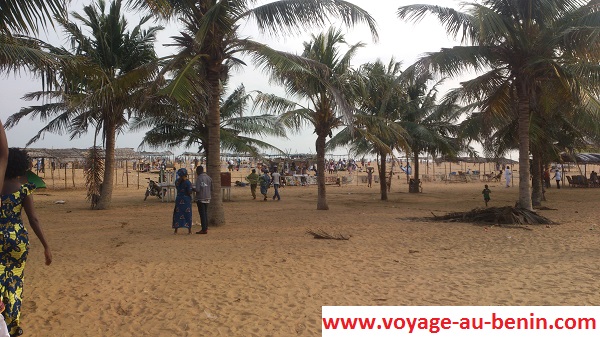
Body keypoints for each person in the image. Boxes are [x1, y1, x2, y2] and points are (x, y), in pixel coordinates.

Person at [0, 148, 52, 336]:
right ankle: (12, 325)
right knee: (15, 281)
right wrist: (46, 246)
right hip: (17, 240)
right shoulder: (23, 189)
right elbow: (33, 219)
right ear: (21, 166)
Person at [172, 168, 193, 234]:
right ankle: (189, 230)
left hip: (179, 199)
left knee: (177, 214)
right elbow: (189, 192)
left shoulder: (177, 182)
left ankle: (176, 230)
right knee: (188, 214)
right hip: (186, 200)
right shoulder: (187, 182)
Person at [194, 166, 212, 234]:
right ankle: (206, 227)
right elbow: (211, 188)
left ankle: (204, 229)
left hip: (201, 198)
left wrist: (193, 189)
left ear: (198, 171)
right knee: (205, 213)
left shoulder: (199, 178)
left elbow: (198, 189)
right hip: (208, 197)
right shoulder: (208, 177)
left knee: (202, 214)